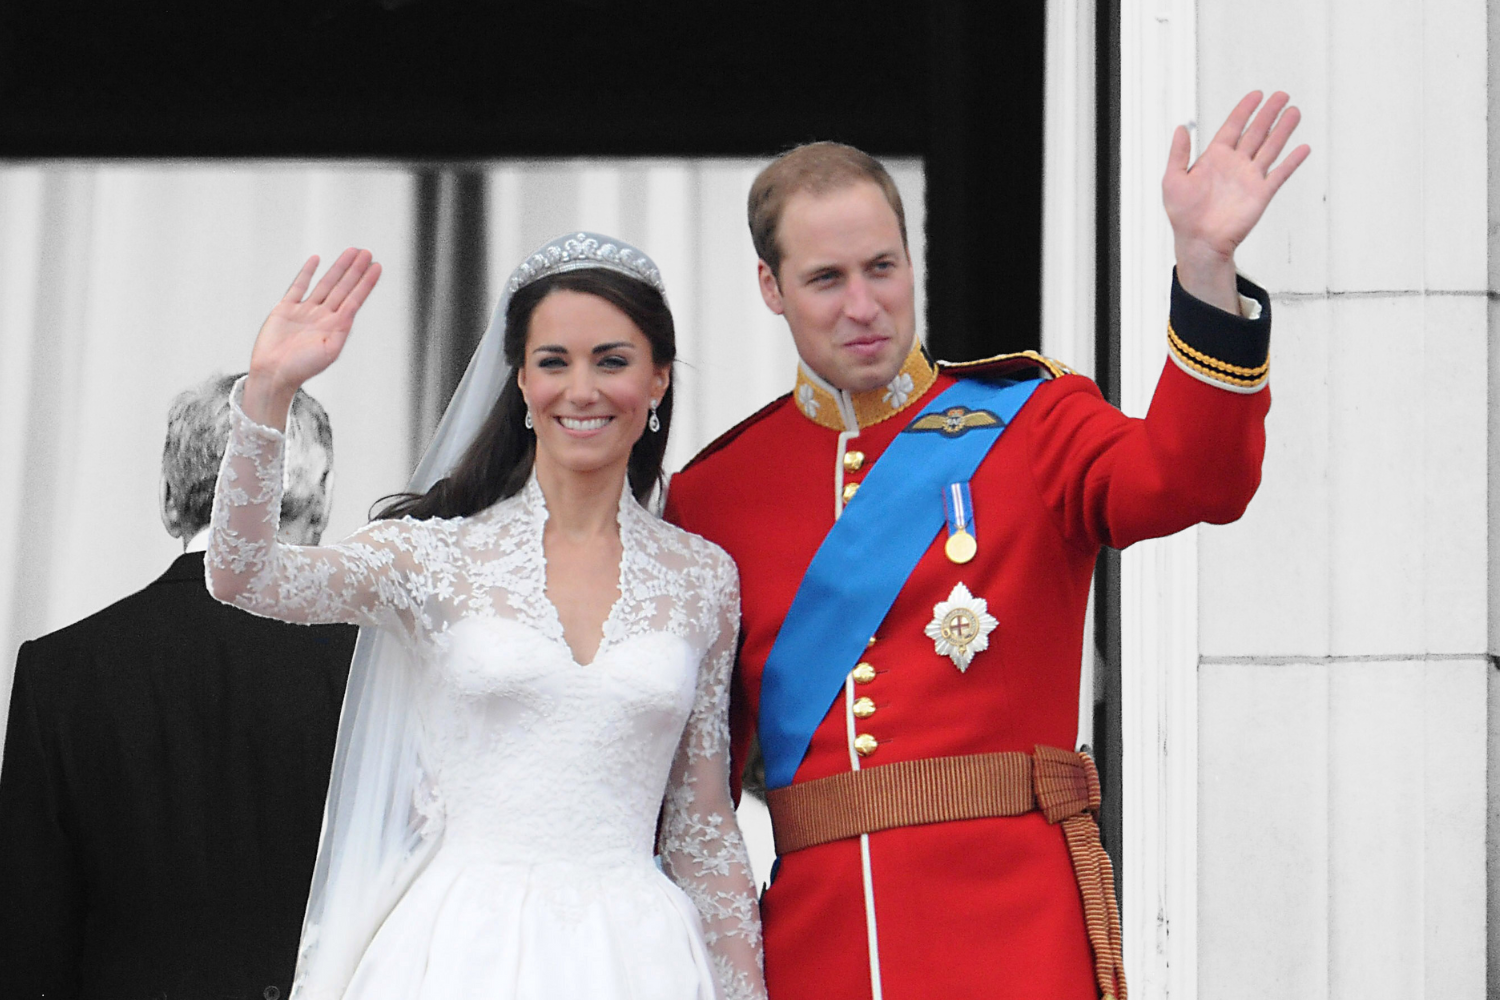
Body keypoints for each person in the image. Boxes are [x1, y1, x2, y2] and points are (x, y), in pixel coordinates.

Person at [663, 92, 1309, 1000]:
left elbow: (1194, 478)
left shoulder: (1031, 422)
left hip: (1014, 936)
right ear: (770, 289)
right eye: (826, 279)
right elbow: (690, 776)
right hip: (822, 947)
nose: (864, 305)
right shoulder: (714, 493)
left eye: (883, 267)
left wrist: (1205, 266)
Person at [204, 233, 766, 1000]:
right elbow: (245, 574)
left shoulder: (704, 579)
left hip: (642, 960)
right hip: (461, 952)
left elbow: (703, 829)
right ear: (522, 383)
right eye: (553, 362)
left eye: (612, 360)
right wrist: (269, 393)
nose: (582, 389)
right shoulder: (435, 557)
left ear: (658, 378)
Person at [0, 374, 356, 1000]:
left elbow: (29, 950)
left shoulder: (58, 674)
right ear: (320, 498)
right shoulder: (371, 668)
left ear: (169, 499)